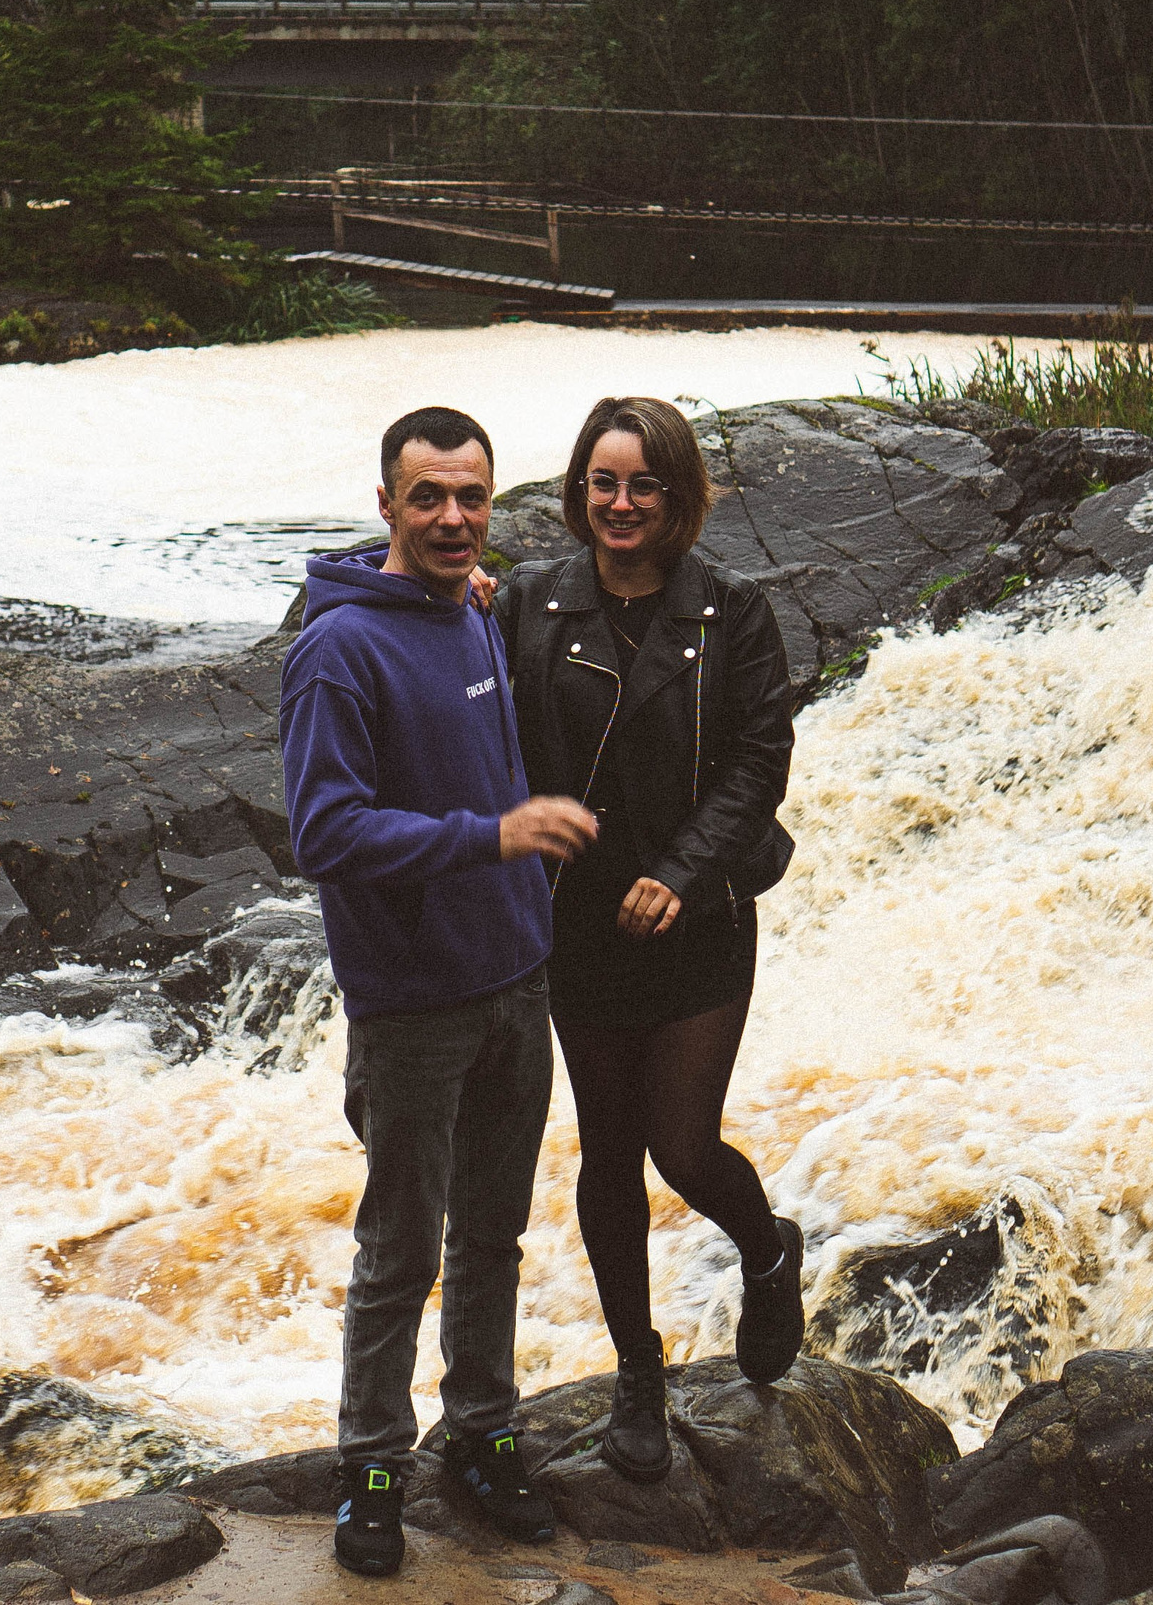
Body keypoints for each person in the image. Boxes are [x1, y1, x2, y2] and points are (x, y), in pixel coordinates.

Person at [280, 405, 601, 1578]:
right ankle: (372, 1466)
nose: (455, 519)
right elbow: (324, 831)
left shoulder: (467, 613)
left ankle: (482, 1436)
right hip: (411, 998)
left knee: (495, 1239)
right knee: (399, 1247)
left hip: (517, 980)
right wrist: (492, 836)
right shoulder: (336, 652)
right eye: (429, 498)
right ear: (386, 508)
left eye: (471, 497)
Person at [494, 395, 802, 1485]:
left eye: (642, 485)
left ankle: (768, 1255)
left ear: (678, 496)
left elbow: (759, 760)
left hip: (698, 914)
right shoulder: (527, 602)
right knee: (607, 1151)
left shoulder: (733, 609)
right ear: (579, 490)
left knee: (682, 1146)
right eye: (601, 482)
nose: (619, 504)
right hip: (576, 923)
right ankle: (638, 1369)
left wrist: (680, 872)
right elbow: (469, 702)